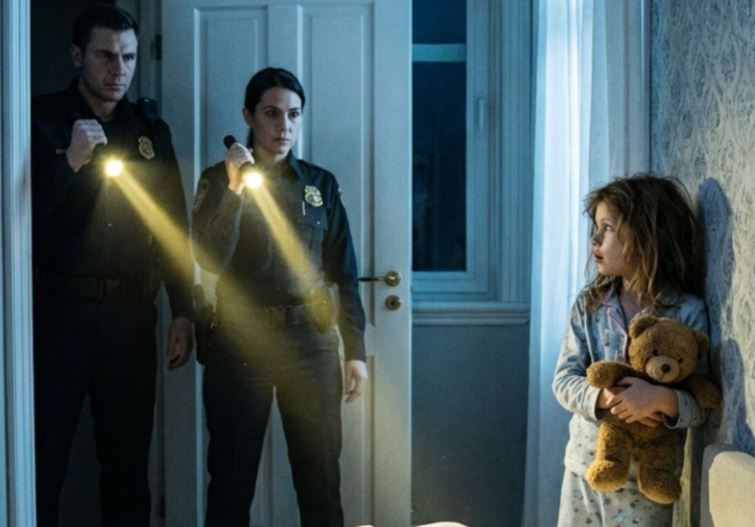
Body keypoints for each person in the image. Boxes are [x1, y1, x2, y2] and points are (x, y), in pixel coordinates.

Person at [31, 5, 194, 526]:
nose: (118, 69)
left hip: (129, 316)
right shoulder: (38, 118)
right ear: (77, 56)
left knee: (126, 466)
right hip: (59, 312)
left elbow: (173, 224)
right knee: (43, 460)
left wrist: (183, 309)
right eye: (104, 55)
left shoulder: (149, 129)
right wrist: (69, 162)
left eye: (127, 57)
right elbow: (19, 220)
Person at [192, 67, 368, 527]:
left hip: (310, 344)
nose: (283, 126)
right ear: (248, 116)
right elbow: (209, 258)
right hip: (240, 342)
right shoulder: (218, 179)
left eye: (293, 115)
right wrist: (235, 190)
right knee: (230, 482)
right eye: (271, 114)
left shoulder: (319, 185)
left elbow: (345, 272)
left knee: (320, 482)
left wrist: (356, 351)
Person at [552, 174, 709, 526]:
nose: (594, 239)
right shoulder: (590, 305)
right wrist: (605, 397)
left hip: (647, 484)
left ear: (646, 236)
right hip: (585, 469)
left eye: (607, 228)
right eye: (596, 228)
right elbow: (563, 379)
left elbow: (703, 401)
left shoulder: (687, 312)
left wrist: (661, 399)